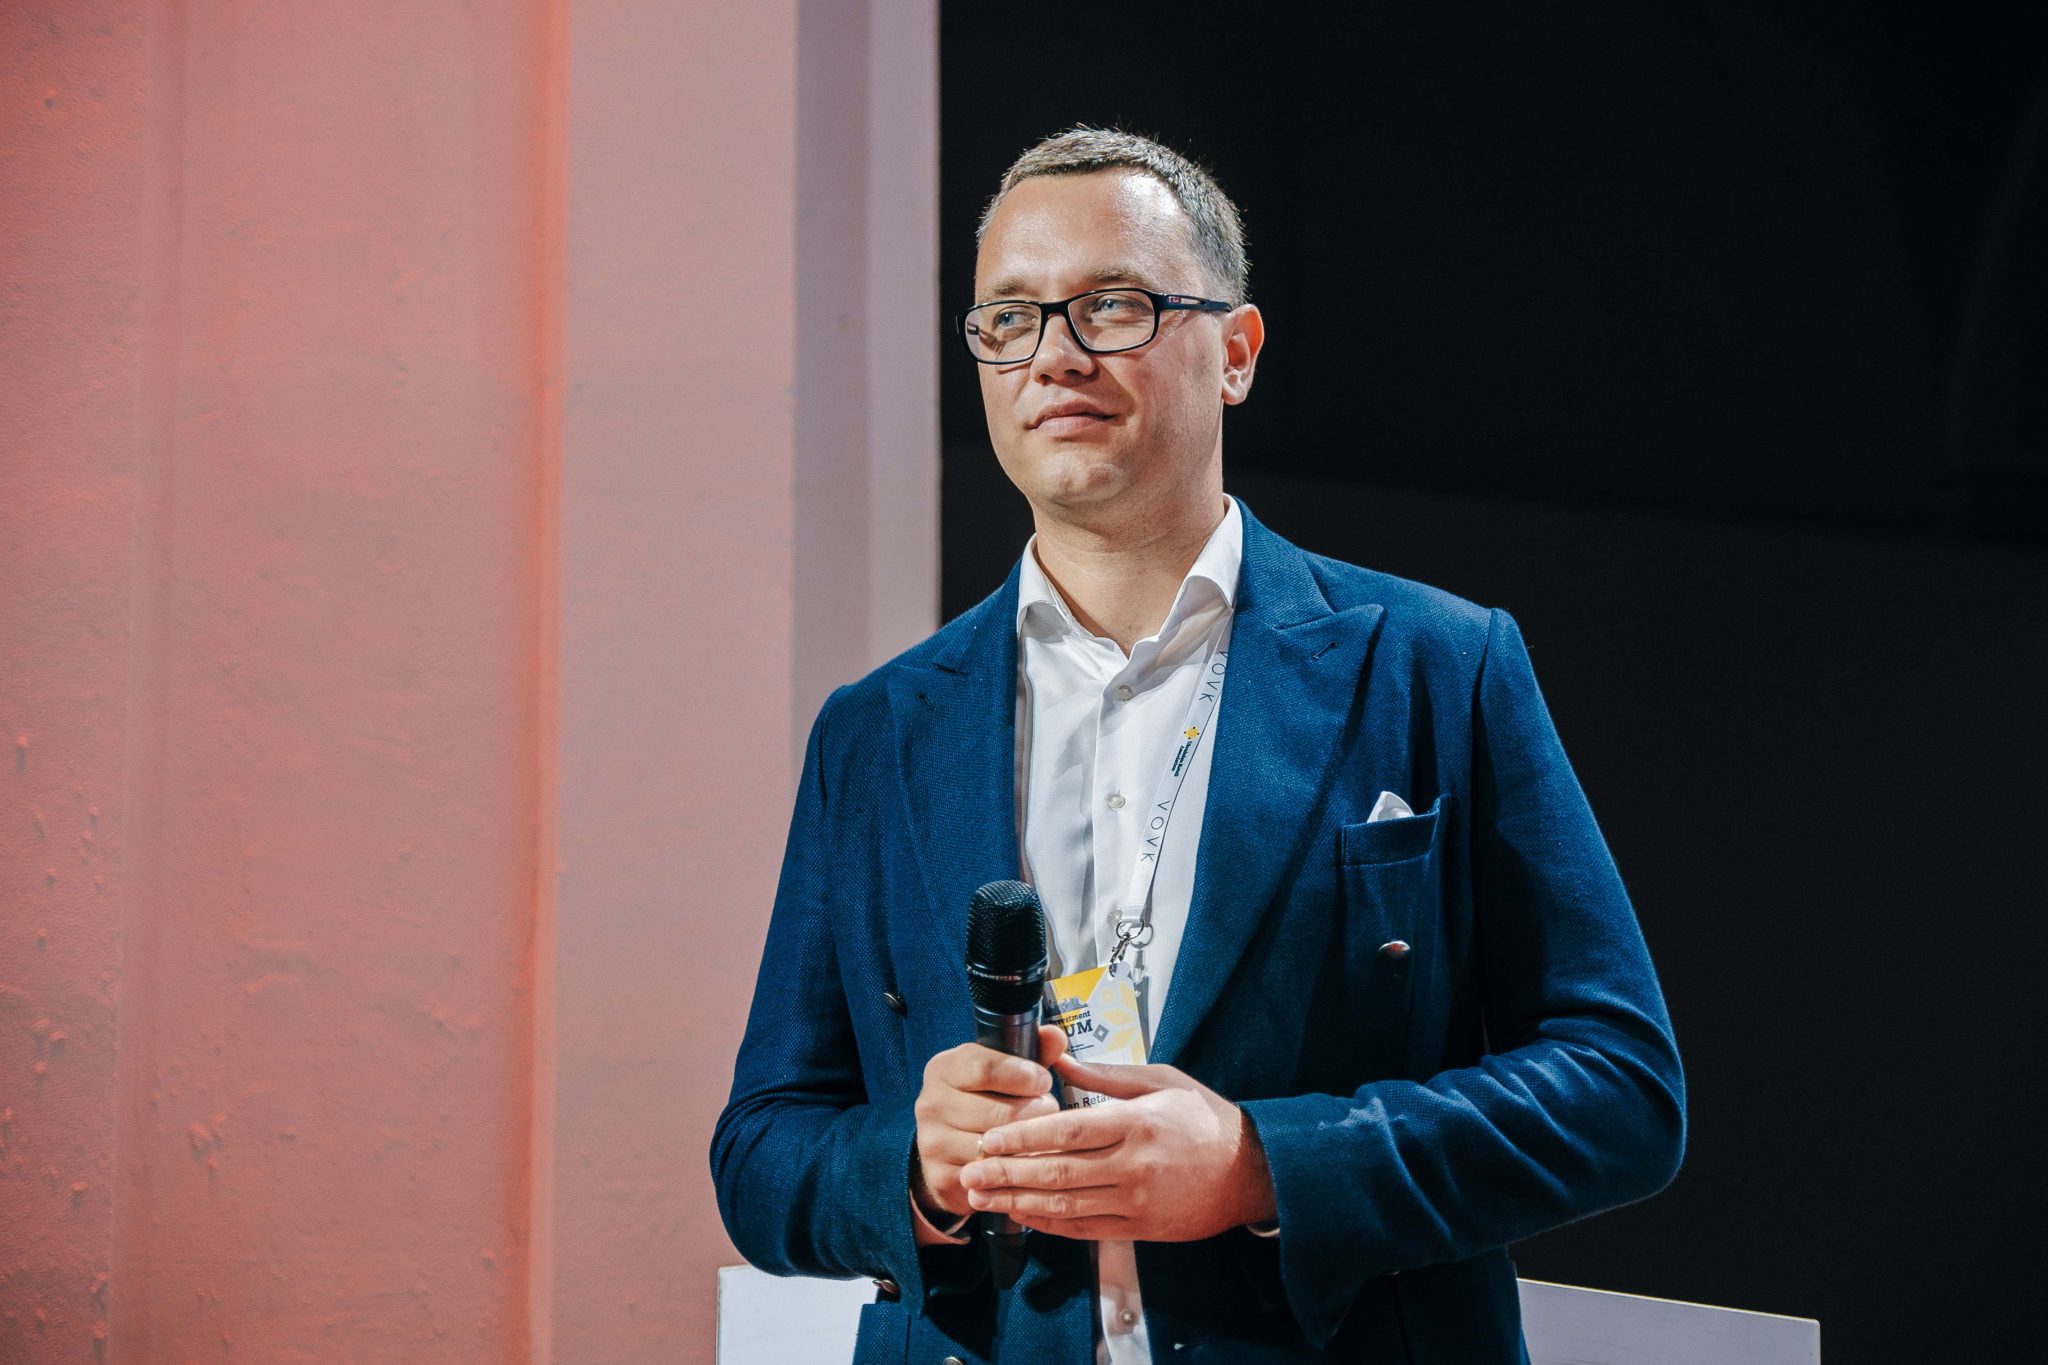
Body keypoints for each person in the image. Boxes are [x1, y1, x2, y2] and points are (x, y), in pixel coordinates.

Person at [711, 127, 1684, 1364]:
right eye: (1008, 318)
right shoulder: (876, 730)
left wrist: (1263, 1163)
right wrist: (913, 1165)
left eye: (1111, 305)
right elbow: (763, 1149)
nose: (1053, 354)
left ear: (1234, 352)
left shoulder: (1435, 665)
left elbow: (1619, 1087)